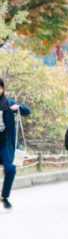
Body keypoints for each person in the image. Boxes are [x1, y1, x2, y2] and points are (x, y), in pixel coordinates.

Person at [0, 79, 31, 210]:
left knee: (11, 169)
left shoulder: (8, 103)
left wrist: (18, 107)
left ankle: (4, 197)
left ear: (2, 88)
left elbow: (27, 111)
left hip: (5, 144)